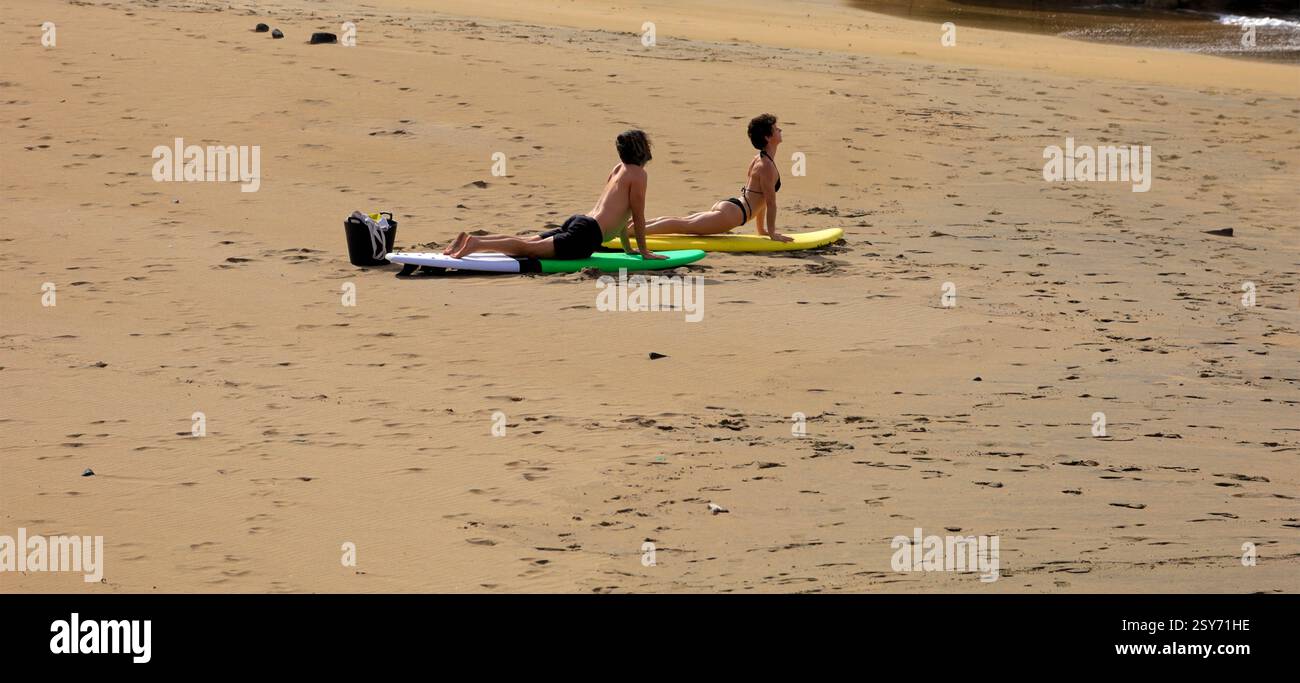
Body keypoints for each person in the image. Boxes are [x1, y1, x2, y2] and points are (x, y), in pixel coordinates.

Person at [444, 130, 665, 260]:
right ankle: (475, 244)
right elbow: (637, 216)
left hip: (581, 221)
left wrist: (629, 250)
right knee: (529, 249)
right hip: (587, 235)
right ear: (643, 150)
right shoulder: (639, 175)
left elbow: (619, 213)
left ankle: (473, 239)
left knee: (528, 240)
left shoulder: (619, 169)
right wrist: (644, 251)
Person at [642, 113, 791, 242]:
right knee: (682, 225)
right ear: (768, 137)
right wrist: (772, 234)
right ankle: (632, 231)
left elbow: (761, 198)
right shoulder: (766, 167)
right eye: (776, 129)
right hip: (733, 214)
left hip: (733, 207)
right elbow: (771, 203)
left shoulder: (760, 159)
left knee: (682, 221)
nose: (780, 130)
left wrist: (761, 230)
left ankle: (634, 226)